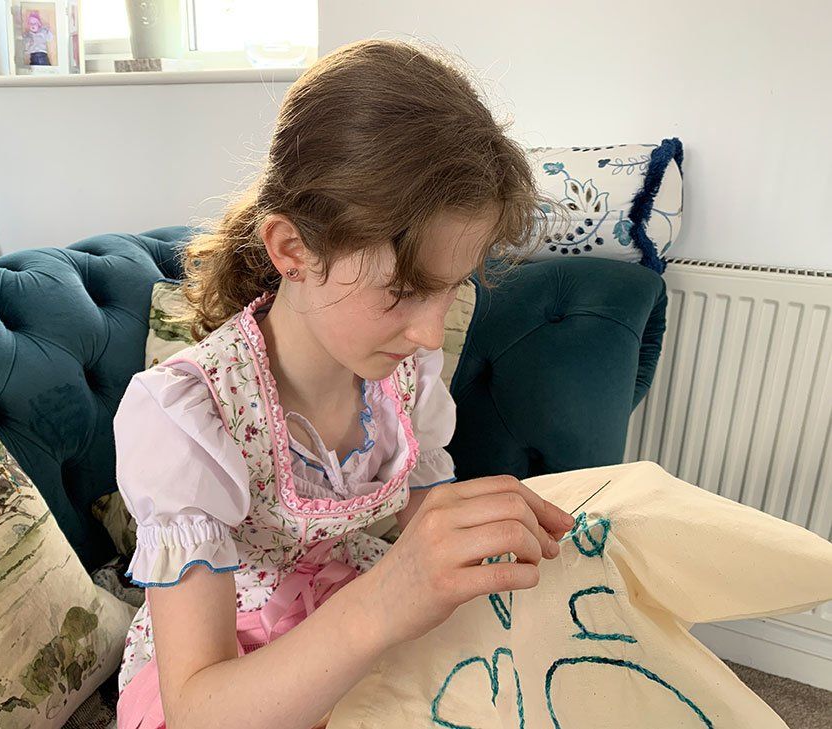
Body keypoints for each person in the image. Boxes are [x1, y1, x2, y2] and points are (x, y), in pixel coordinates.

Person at [114, 38, 573, 729]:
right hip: (233, 682)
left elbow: (429, 521)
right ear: (292, 250)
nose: (428, 334)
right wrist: (389, 596)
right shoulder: (187, 415)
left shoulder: (405, 379)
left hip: (347, 617)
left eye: (450, 290)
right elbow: (201, 707)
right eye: (406, 292)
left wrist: (485, 537)